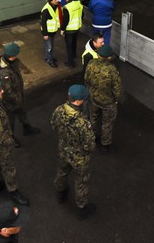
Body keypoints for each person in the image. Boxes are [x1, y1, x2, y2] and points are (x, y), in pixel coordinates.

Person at [50, 84, 96, 219]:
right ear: (79, 101)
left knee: (62, 172)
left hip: (63, 150)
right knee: (81, 181)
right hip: (79, 158)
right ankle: (81, 207)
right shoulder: (83, 123)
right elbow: (90, 145)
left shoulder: (59, 110)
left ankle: (60, 193)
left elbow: (54, 125)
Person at [0, 42, 40, 139]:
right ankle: (11, 138)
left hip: (18, 96)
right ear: (11, 56)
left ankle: (27, 128)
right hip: (10, 101)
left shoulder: (12, 62)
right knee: (10, 121)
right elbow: (7, 91)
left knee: (22, 113)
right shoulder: (4, 73)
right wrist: (17, 99)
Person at [84, 45, 122, 154]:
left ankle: (92, 137)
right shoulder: (111, 70)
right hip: (108, 102)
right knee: (107, 123)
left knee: (93, 119)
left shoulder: (91, 64)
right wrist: (116, 100)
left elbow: (86, 80)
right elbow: (117, 88)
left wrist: (92, 92)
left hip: (94, 99)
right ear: (109, 57)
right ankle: (105, 145)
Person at [61, 0, 84, 68]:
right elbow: (82, 15)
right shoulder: (79, 4)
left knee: (69, 46)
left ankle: (71, 63)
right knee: (74, 42)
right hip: (77, 28)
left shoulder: (66, 7)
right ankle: (74, 55)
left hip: (69, 30)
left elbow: (65, 20)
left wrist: (62, 29)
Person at [40, 0, 61, 68]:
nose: (57, 0)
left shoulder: (55, 7)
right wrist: (45, 34)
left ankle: (48, 57)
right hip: (48, 33)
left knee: (49, 46)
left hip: (52, 31)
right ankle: (50, 60)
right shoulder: (46, 9)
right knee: (49, 47)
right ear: (51, 0)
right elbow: (43, 23)